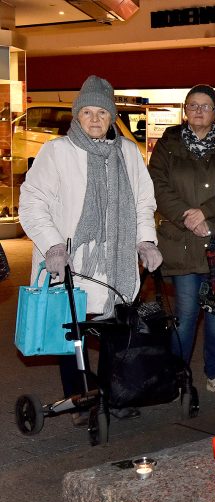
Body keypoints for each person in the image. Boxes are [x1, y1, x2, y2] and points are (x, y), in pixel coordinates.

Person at [19, 75, 162, 425]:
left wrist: (145, 240)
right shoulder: (57, 151)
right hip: (72, 261)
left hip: (117, 263)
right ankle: (80, 398)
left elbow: (143, 201)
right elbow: (32, 201)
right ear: (77, 116)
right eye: (87, 112)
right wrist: (51, 243)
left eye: (102, 112)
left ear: (112, 116)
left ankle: (115, 394)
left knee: (115, 331)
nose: (95, 119)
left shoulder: (128, 152)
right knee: (73, 334)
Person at [149, 84, 215, 398]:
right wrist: (186, 217)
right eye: (193, 105)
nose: (199, 110)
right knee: (187, 312)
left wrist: (205, 214)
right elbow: (157, 185)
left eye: (206, 106)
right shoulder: (167, 145)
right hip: (182, 241)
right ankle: (177, 376)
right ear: (185, 110)